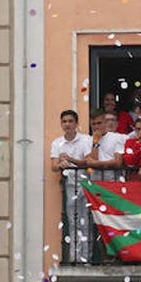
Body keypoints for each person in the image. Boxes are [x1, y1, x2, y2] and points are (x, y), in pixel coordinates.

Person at [49, 109, 92, 262]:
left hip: (85, 184)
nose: (67, 124)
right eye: (64, 121)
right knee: (73, 221)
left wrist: (70, 160)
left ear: (76, 123)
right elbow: (53, 166)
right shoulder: (57, 143)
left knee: (85, 221)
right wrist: (61, 164)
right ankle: (75, 257)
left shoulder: (86, 140)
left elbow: (87, 162)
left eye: (70, 121)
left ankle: (85, 257)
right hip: (69, 185)